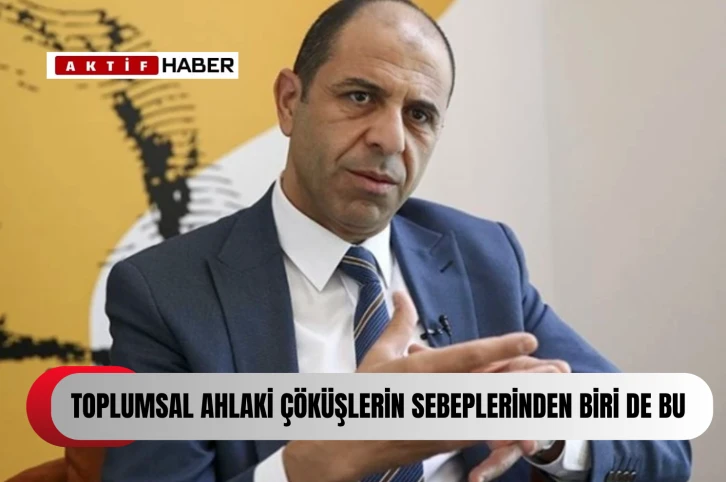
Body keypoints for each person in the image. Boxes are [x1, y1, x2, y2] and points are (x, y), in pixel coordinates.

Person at [101, 1, 692, 481]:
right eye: (360, 97)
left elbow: (662, 443)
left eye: (420, 115)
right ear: (289, 102)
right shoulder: (164, 294)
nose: (390, 138)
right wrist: (321, 458)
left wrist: (552, 432)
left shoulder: (481, 256)